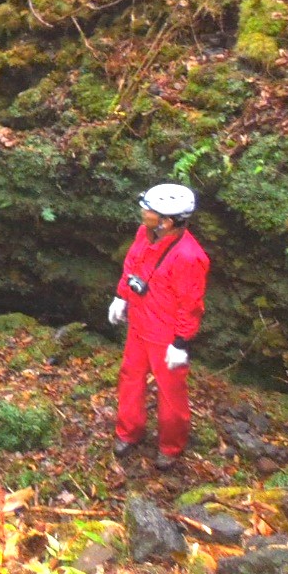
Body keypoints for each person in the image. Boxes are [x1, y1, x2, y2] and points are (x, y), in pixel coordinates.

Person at [107, 183, 210, 471]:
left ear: (167, 221)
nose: (143, 213)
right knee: (130, 376)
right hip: (139, 323)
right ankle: (128, 431)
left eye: (149, 211)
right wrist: (121, 296)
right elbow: (132, 265)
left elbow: (191, 304)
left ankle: (171, 446)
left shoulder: (189, 256)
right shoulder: (145, 233)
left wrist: (181, 342)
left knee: (170, 391)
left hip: (165, 335)